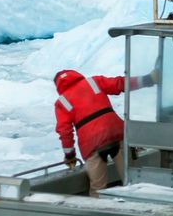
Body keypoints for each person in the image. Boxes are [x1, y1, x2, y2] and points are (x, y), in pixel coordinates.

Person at [54, 67, 156, 197]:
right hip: (116, 132)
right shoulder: (93, 82)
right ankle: (139, 207)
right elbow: (119, 83)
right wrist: (148, 79)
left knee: (98, 188)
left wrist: (70, 156)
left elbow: (64, 131)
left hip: (91, 143)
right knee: (132, 180)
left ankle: (98, 213)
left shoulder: (61, 102)